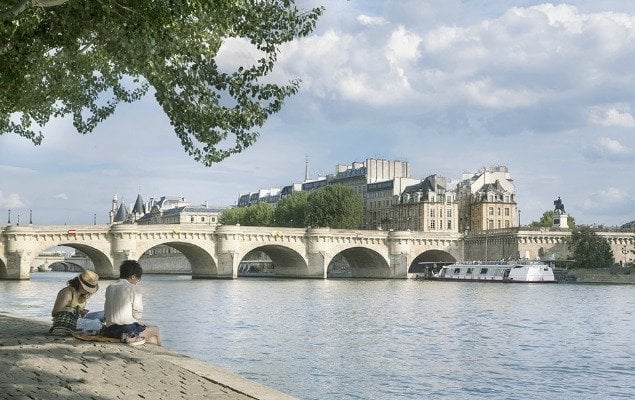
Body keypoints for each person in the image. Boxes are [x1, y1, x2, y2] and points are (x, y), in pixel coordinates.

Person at [102, 260, 161, 346]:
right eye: (138, 279)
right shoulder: (133, 289)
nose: (138, 281)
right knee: (156, 330)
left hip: (109, 330)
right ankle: (158, 351)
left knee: (151, 338)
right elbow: (137, 314)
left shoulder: (110, 288)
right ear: (133, 277)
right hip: (126, 330)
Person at [50, 270, 100, 336]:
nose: (85, 290)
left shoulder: (83, 296)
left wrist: (82, 313)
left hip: (77, 322)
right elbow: (54, 313)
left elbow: (79, 315)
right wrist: (75, 310)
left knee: (102, 314)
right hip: (65, 322)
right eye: (84, 286)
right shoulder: (67, 292)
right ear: (78, 282)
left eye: (88, 289)